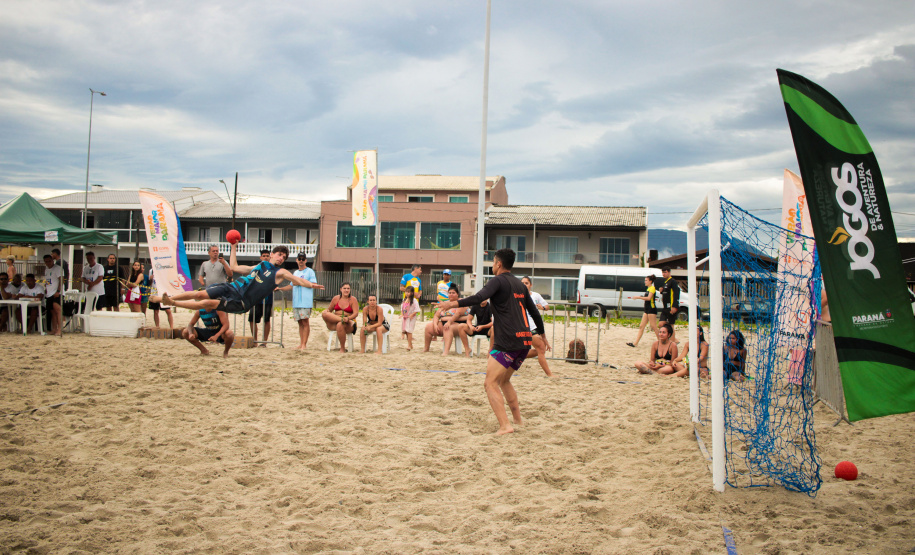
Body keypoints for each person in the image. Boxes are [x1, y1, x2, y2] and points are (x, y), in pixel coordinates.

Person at [434, 248, 545, 435]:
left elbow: (478, 297)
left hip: (507, 341)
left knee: (490, 383)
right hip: (524, 341)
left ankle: (505, 426)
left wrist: (450, 304)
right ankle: (517, 421)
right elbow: (534, 311)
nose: (493, 265)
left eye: (493, 262)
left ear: (499, 264)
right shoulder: (520, 285)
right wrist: (542, 335)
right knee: (504, 380)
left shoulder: (498, 281)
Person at [150, 244, 324, 315]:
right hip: (232, 288)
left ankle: (172, 303)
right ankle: (166, 299)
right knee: (202, 294)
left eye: (284, 257)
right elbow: (234, 267)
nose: (281, 258)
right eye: (279, 254)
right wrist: (233, 247)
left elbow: (297, 280)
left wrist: (311, 284)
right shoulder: (259, 266)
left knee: (208, 304)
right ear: (271, 254)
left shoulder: (280, 272)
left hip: (242, 302)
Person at [520, 276, 553, 376]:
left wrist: (542, 307)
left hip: (533, 327)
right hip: (521, 327)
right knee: (540, 349)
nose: (524, 285)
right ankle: (549, 374)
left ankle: (518, 356)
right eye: (522, 283)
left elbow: (547, 307)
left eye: (526, 283)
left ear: (531, 285)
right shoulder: (517, 296)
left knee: (540, 349)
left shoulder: (535, 295)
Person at [424, 284, 466, 353]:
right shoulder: (445, 303)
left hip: (458, 324)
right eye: (450, 293)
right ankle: (426, 348)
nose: (451, 294)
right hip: (444, 323)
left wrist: (448, 321)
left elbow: (458, 314)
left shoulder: (461, 302)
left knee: (447, 328)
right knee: (429, 326)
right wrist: (435, 325)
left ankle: (446, 352)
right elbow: (436, 316)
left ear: (457, 294)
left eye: (453, 293)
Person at [288, 253, 317, 350]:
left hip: (305, 301)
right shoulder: (295, 273)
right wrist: (279, 288)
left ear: (305, 260)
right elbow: (291, 285)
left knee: (305, 322)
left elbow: (313, 284)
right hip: (296, 302)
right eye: (299, 258)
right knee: (299, 323)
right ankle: (301, 343)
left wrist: (300, 283)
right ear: (296, 260)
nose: (301, 260)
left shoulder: (310, 271)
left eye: (303, 259)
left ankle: (304, 344)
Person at [322, 282, 359, 353]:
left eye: (348, 288)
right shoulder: (336, 298)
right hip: (335, 322)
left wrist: (348, 318)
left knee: (340, 324)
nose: (346, 290)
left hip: (349, 323)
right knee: (324, 313)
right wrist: (327, 311)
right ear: (340, 289)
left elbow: (356, 313)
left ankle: (342, 348)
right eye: (344, 288)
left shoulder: (353, 299)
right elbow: (329, 310)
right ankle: (341, 319)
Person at [247, 250, 274, 346]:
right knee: (252, 319)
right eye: (264, 256)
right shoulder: (256, 268)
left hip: (268, 298)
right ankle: (255, 340)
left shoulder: (272, 269)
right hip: (256, 298)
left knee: (266, 320)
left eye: (267, 256)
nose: (266, 257)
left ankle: (265, 342)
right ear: (260, 257)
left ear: (270, 257)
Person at [627, 275, 660, 348]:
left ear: (650, 281)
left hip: (651, 309)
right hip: (647, 309)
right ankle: (635, 343)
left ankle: (661, 342)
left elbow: (649, 298)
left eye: (646, 280)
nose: (645, 282)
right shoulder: (648, 289)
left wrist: (638, 297)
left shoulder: (652, 288)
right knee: (641, 326)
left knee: (653, 326)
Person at [42, 254, 64, 335]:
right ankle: (54, 329)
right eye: (46, 262)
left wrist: (58, 290)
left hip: (57, 293)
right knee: (52, 312)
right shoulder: (46, 270)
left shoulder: (58, 268)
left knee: (58, 310)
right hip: (49, 293)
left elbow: (61, 280)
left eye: (49, 261)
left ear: (52, 260)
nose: (48, 263)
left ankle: (60, 329)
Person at [658, 267, 680, 342]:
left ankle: (673, 341)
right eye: (663, 272)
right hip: (665, 307)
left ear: (669, 272)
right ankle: (674, 339)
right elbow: (666, 293)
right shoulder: (666, 282)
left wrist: (674, 306)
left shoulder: (673, 281)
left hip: (671, 307)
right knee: (661, 324)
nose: (663, 274)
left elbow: (676, 294)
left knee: (671, 325)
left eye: (665, 272)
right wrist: (661, 290)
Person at [400, 285, 420, 351]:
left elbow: (417, 309)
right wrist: (402, 314)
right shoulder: (404, 300)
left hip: (411, 318)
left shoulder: (414, 301)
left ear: (412, 293)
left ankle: (409, 345)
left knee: (409, 331)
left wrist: (412, 314)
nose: (407, 293)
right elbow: (402, 308)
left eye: (408, 292)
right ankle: (410, 343)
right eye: (406, 292)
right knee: (405, 330)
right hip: (405, 317)